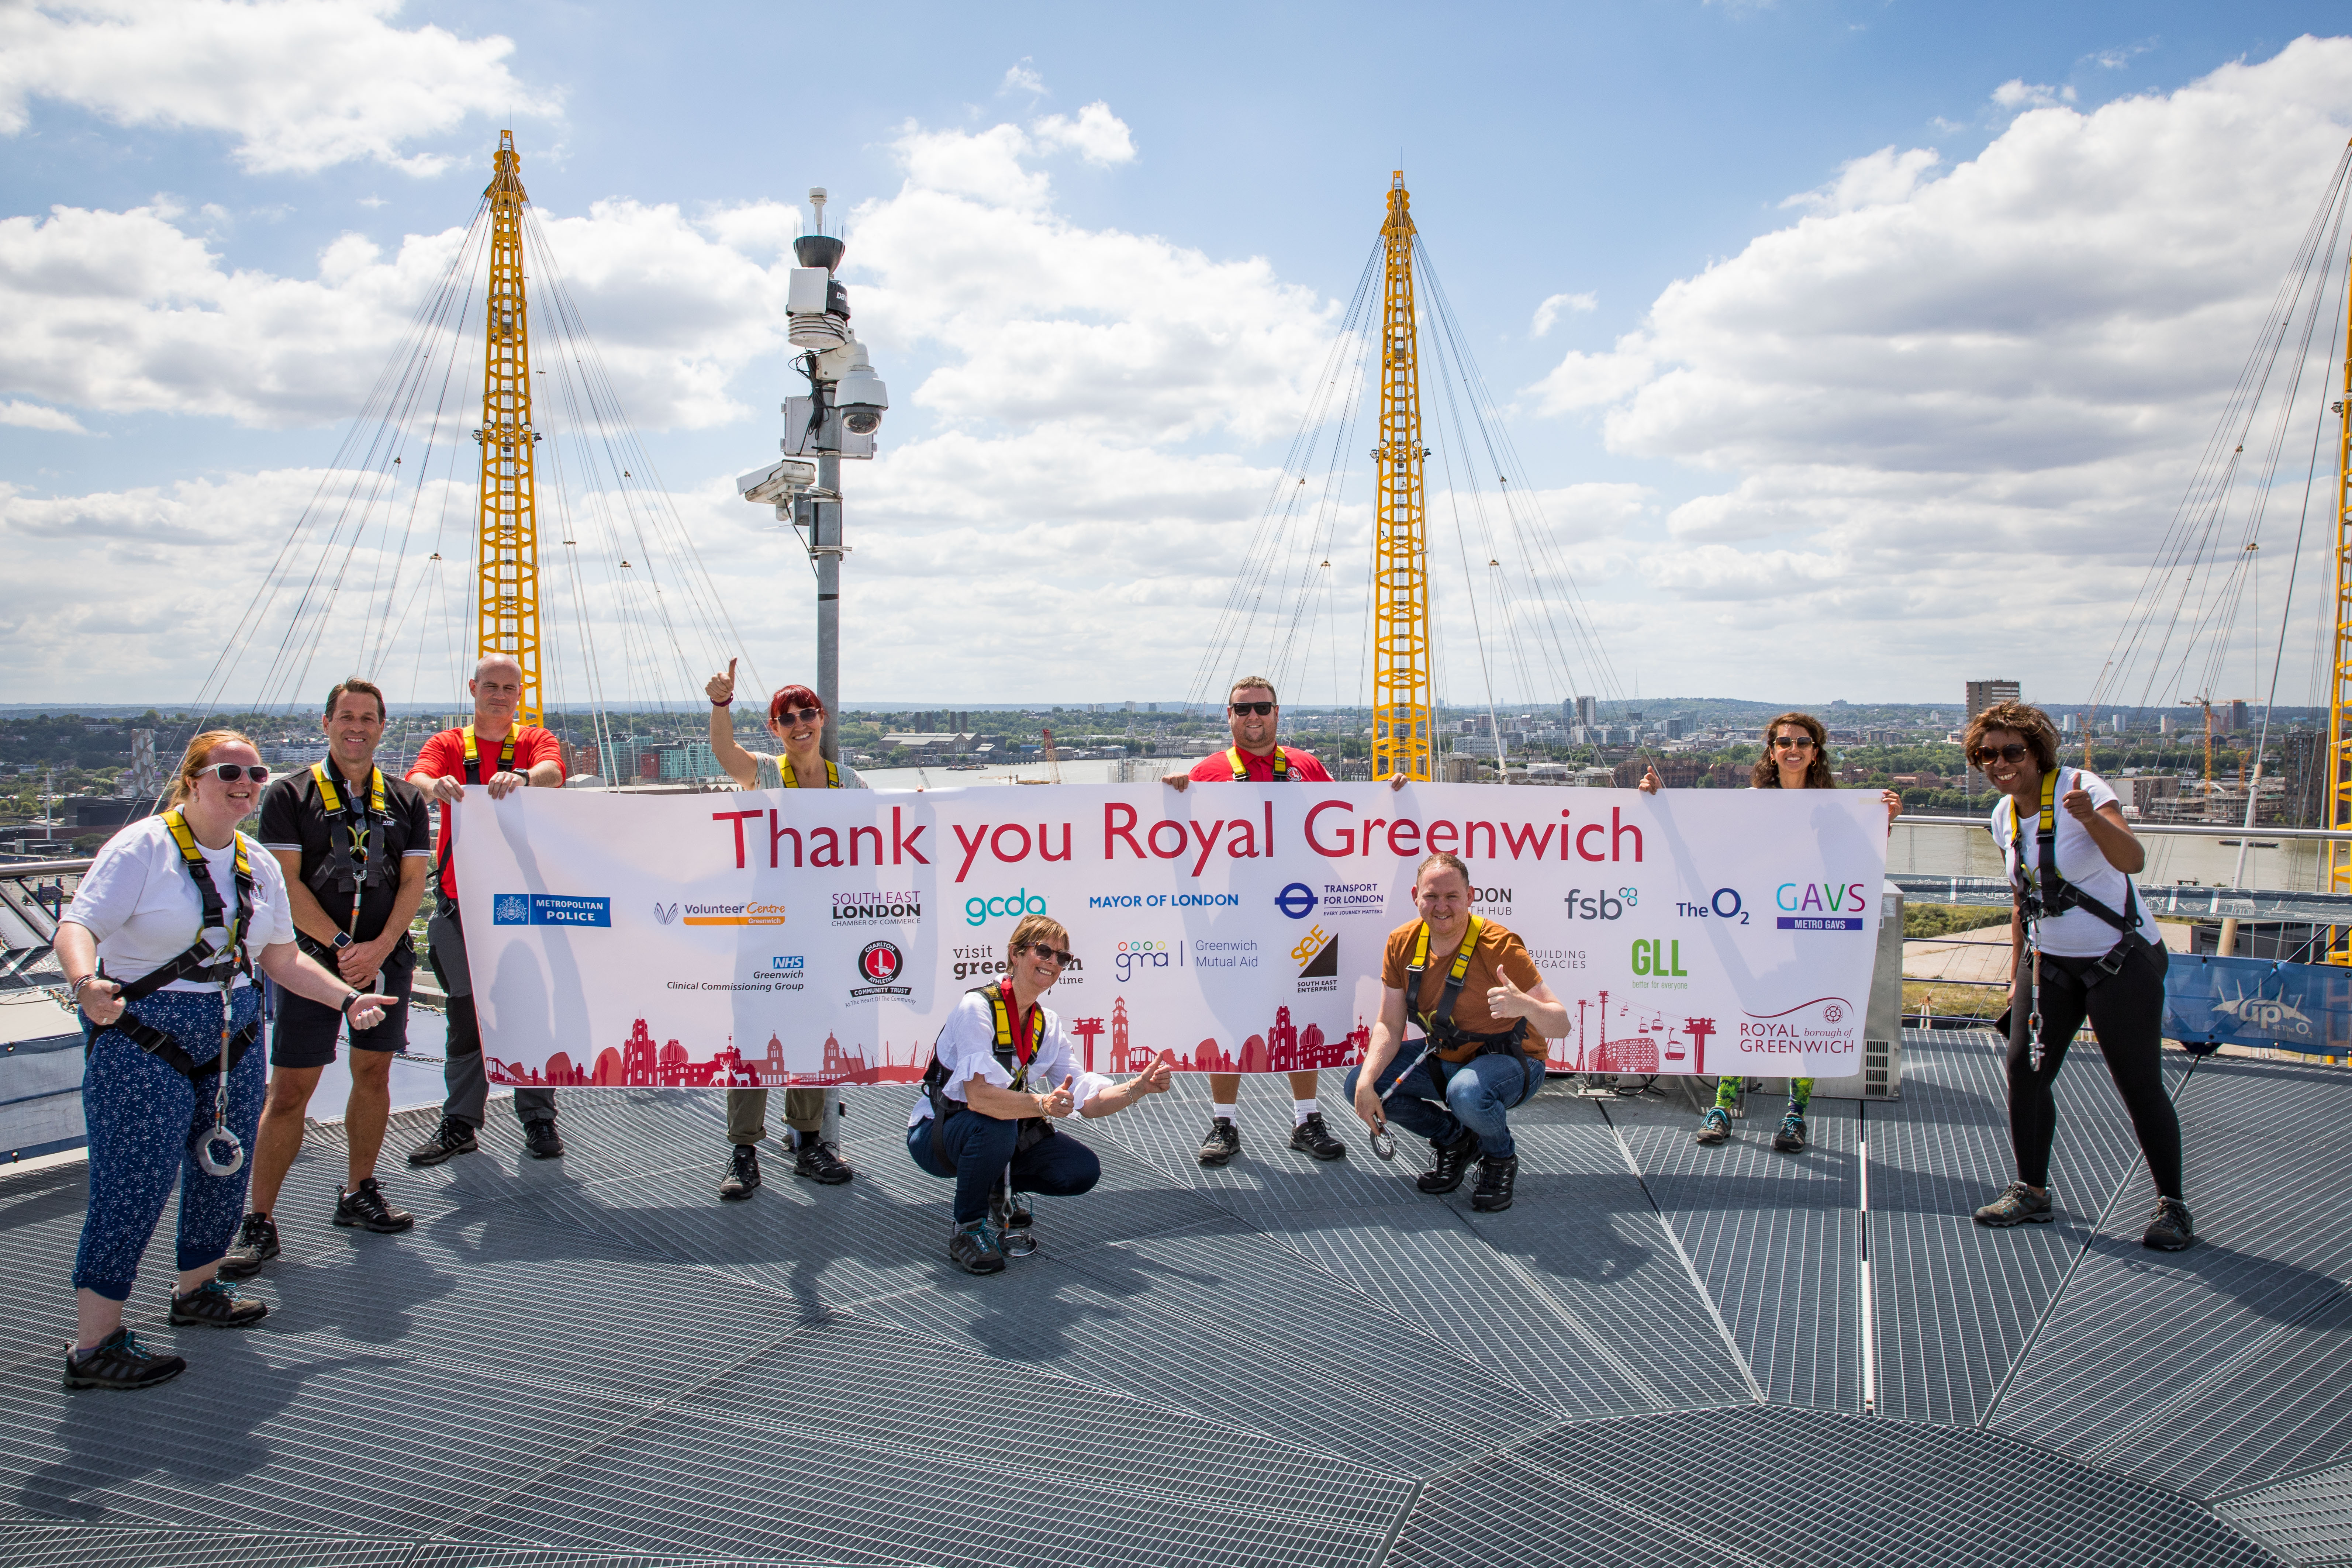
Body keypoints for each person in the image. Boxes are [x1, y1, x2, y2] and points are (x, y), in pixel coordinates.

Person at [55, 732, 396, 1390]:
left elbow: (279, 956)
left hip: (232, 1037)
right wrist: (83, 983)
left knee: (222, 1170)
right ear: (192, 780)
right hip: (144, 1038)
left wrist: (347, 999)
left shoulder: (255, 862)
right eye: (229, 771)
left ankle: (197, 1291)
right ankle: (93, 1344)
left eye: (256, 772)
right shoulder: (143, 849)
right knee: (134, 1183)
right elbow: (80, 926)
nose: (245, 782)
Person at [221, 679, 433, 1278]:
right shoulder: (289, 795)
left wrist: (382, 948)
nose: (357, 727)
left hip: (384, 961)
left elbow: (413, 883)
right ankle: (259, 1220)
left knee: (374, 1072)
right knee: (291, 1089)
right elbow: (284, 882)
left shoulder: (406, 800)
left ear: (382, 726)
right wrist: (343, 947)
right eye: (347, 717)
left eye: (368, 718)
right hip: (311, 961)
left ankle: (359, 1190)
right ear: (327, 722)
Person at [1965, 700, 2190, 1251]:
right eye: (1987, 753)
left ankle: (2173, 1206)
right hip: (2050, 963)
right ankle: (2031, 1190)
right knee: (2024, 1070)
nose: (2000, 762)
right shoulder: (2002, 815)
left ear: (2037, 750)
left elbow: (2131, 860)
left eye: (2011, 751)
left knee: (2136, 1082)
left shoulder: (2081, 787)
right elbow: (2023, 899)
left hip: (2119, 959)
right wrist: (2017, 973)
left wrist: (2089, 816)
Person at [1164, 675, 1398, 1167]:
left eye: (1262, 708)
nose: (1253, 718)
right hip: (1237, 917)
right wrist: (1172, 795)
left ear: (1276, 712)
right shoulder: (1207, 772)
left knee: (1305, 1011)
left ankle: (1305, 1119)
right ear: (1227, 716)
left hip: (1302, 911)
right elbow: (1179, 838)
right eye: (1242, 709)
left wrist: (1390, 796)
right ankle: (1223, 1121)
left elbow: (1350, 821)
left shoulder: (1305, 767)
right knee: (1231, 1018)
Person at [1642, 712, 1900, 1155]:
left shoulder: (1838, 808)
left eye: (1803, 742)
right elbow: (1704, 834)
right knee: (1744, 1010)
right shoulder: (1750, 801)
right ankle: (1722, 1108)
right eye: (1785, 742)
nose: (1794, 749)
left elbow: (1861, 860)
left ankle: (1795, 1115)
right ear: (1772, 750)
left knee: (1808, 1021)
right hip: (1756, 928)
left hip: (1814, 929)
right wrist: (1660, 800)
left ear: (1816, 751)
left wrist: (1886, 821)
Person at [909, 913, 1174, 1274]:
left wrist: (1138, 1087)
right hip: (938, 1133)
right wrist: (1040, 1103)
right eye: (1044, 950)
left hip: (992, 1131)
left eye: (1062, 957)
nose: (1053, 962)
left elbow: (1088, 1100)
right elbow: (979, 1097)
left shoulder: (1046, 1024)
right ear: (1015, 954)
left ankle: (993, 1185)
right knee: (996, 1125)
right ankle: (967, 1229)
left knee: (1079, 1169)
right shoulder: (978, 1008)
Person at [404, 655, 569, 1165]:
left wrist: (524, 778)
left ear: (520, 693)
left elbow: (553, 770)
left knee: (532, 1014)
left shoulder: (532, 741)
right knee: (464, 1016)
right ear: (473, 688)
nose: (499, 695)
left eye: (509, 688)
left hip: (523, 907)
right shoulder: (450, 746)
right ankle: (460, 1122)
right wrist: (439, 788)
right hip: (463, 906)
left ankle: (538, 1118)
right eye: (491, 686)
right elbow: (418, 775)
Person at [703, 660, 856, 1196]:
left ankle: (808, 1140)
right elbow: (726, 755)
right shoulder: (767, 773)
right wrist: (721, 706)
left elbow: (886, 837)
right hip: (766, 931)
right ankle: (744, 1150)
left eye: (807, 714)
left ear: (823, 717)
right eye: (786, 718)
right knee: (753, 1038)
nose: (799, 724)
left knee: (814, 1033)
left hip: (819, 935)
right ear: (774, 729)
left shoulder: (846, 783)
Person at [1346, 852, 1566, 1212]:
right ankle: (1456, 1139)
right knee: (1361, 1083)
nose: (1441, 906)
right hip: (1446, 1057)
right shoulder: (1402, 942)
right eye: (1431, 896)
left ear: (1470, 896)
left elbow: (1560, 1023)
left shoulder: (1500, 944)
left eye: (1452, 896)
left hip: (1513, 1061)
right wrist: (1367, 1081)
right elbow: (1389, 1023)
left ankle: (1499, 1157)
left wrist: (1525, 1005)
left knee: (1466, 1092)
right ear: (1415, 896)